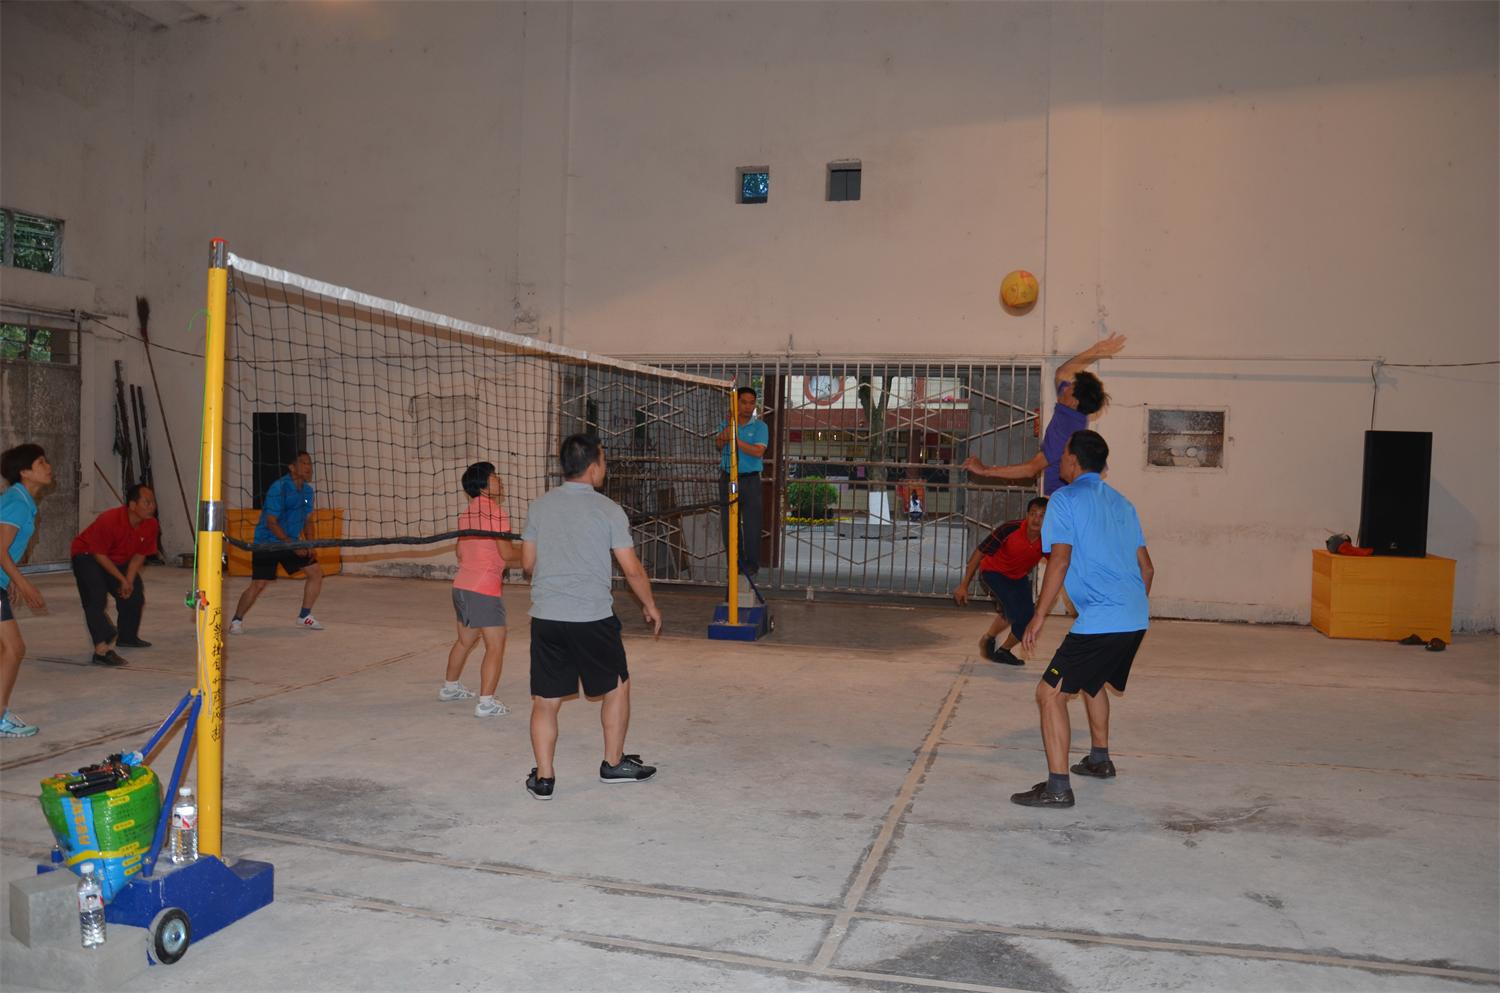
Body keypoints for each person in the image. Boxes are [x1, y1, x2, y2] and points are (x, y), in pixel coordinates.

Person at [1012, 430, 1153, 809]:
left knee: (1049, 694)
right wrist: (1127, 609)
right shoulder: (1123, 503)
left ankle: (1058, 788)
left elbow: (1059, 560)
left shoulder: (1064, 499)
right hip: (1135, 616)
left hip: (1103, 618)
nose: (1059, 460)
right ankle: (1099, 759)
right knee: (1093, 683)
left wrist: (1038, 616)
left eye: (1063, 454)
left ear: (1073, 461)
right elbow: (1147, 569)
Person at [520, 434, 662, 801]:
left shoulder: (539, 506)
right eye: (604, 461)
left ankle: (544, 779)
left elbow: (527, 564)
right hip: (592, 618)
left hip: (547, 618)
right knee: (617, 688)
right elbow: (632, 570)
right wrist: (649, 604)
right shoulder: (608, 509)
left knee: (545, 700)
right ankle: (613, 764)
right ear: (594, 466)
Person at [964, 333, 1126, 494]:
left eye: (1070, 388)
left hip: (1060, 496)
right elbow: (1062, 372)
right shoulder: (1071, 409)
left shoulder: (1066, 430)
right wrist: (1096, 350)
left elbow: (1030, 469)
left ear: (1074, 401)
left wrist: (984, 470)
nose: (1065, 387)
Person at [441, 461, 519, 717]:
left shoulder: (467, 513)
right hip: (484, 589)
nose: (500, 480)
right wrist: (533, 554)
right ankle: (486, 703)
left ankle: (450, 688)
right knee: (495, 645)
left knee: (465, 641)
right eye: (495, 477)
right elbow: (507, 553)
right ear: (484, 485)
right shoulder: (496, 513)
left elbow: (459, 551)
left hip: (461, 586)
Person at [230, 451, 324, 634]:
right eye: (303, 463)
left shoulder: (307, 492)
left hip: (291, 542)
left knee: (315, 573)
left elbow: (307, 519)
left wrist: (309, 544)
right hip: (268, 543)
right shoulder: (279, 488)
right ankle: (236, 620)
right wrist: (292, 546)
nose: (308, 467)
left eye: (310, 463)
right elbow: (271, 522)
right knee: (259, 584)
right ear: (292, 467)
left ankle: (304, 615)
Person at [69, 483, 159, 667]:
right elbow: (98, 554)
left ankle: (127, 637)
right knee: (95, 597)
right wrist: (120, 578)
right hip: (87, 556)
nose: (152, 507)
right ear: (132, 505)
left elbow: (139, 555)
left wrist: (128, 580)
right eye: (147, 502)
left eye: (153, 502)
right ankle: (101, 650)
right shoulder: (110, 520)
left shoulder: (151, 524)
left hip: (115, 558)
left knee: (134, 593)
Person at [954, 496, 1048, 666]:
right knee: (1016, 612)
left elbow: (1059, 564)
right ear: (1027, 515)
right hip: (993, 572)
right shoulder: (1009, 529)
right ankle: (991, 641)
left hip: (1018, 577)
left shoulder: (1049, 538)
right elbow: (980, 552)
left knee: (1027, 618)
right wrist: (964, 585)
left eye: (1042, 515)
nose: (1036, 519)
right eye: (1033, 514)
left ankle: (1001, 649)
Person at [0, 444, 52, 737]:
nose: (48, 467)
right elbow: (0, 550)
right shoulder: (17, 503)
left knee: (9, 649)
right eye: (41, 462)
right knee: (13, 648)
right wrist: (23, 583)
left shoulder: (21, 500)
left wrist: (7, 581)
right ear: (24, 471)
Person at [713, 387, 769, 575]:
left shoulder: (760, 426)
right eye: (743, 402)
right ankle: (735, 563)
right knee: (729, 524)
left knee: (752, 525)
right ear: (736, 403)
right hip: (728, 480)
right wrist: (731, 424)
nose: (748, 406)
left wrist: (736, 441)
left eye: (751, 403)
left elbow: (758, 451)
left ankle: (751, 564)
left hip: (750, 481)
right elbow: (719, 443)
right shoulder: (727, 423)